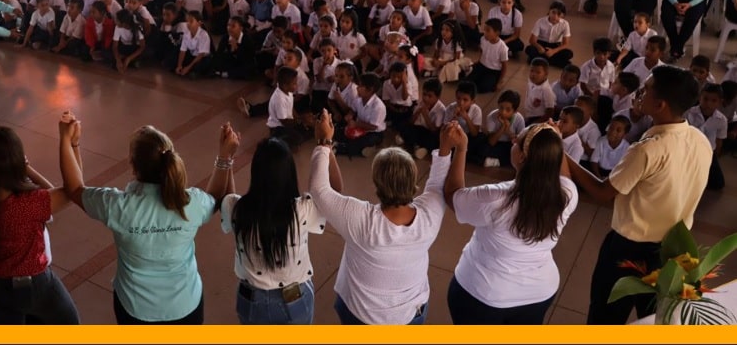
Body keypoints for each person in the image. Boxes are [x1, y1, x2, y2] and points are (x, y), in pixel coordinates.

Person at [564, 66, 712, 324]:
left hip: (630, 250)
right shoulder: (700, 140)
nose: (640, 93)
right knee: (656, 318)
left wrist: (561, 156)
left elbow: (602, 192)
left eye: (646, 90)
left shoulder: (647, 150)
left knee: (606, 317)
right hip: (674, 251)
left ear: (660, 104)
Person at [57, 112, 237, 324]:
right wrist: (225, 157)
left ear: (133, 166)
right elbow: (215, 198)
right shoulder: (190, 204)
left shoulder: (118, 207)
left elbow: (75, 188)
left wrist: (69, 142)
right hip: (185, 305)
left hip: (135, 308)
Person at [309, 110, 447, 325]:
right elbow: (437, 184)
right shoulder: (430, 216)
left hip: (361, 316)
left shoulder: (361, 219)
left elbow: (319, 190)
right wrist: (446, 150)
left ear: (376, 184)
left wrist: (324, 142)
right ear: (413, 181)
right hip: (411, 315)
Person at [444, 123, 578, 324]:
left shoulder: (496, 197)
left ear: (522, 157)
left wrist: (461, 149)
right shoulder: (567, 193)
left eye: (517, 140)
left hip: (485, 296)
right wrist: (553, 141)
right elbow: (564, 174)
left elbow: (452, 195)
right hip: (538, 294)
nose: (513, 140)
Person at [0, 127, 79, 324]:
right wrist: (71, 143)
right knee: (69, 322)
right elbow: (73, 190)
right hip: (33, 284)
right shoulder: (29, 203)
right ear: (15, 163)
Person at [221, 137, 341, 324]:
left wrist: (226, 156)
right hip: (294, 299)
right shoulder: (301, 210)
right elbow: (333, 197)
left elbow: (227, 197)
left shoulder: (236, 209)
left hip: (250, 299)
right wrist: (325, 146)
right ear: (289, 174)